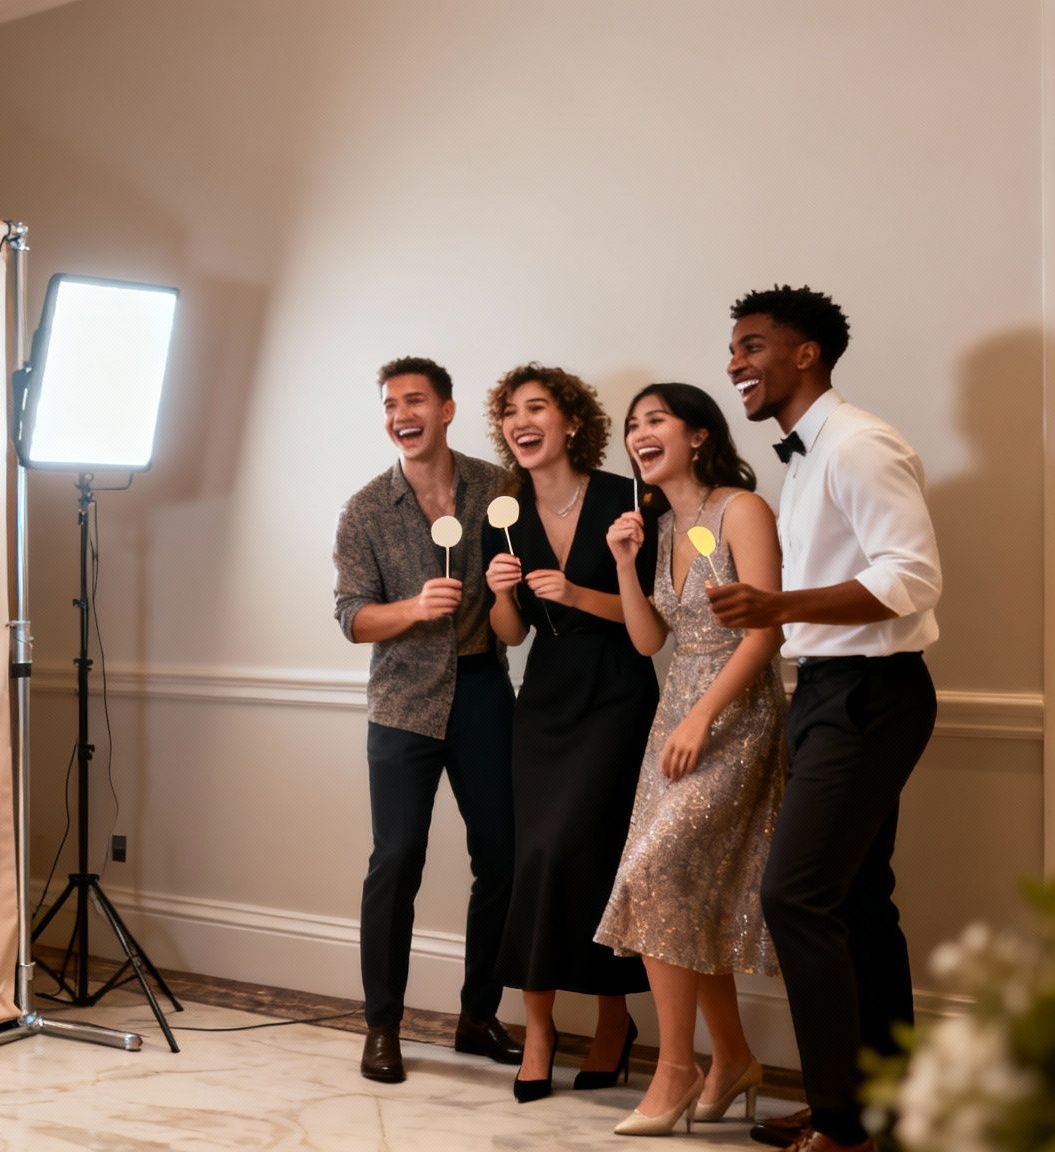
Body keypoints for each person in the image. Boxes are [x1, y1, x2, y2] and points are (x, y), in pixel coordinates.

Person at [708, 286, 943, 1152]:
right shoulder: (806, 456)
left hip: (871, 694)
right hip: (826, 690)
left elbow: (912, 578)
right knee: (856, 902)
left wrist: (778, 605)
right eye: (733, 347)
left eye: (751, 345)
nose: (734, 362)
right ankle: (876, 1108)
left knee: (795, 897)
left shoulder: (859, 443)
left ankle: (844, 1128)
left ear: (805, 353)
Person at [595, 383, 787, 1137]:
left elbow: (766, 631)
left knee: (655, 874)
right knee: (688, 891)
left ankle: (676, 1069)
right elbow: (650, 641)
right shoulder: (662, 525)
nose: (639, 434)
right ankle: (731, 1057)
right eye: (632, 426)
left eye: (656, 420)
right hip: (672, 717)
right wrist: (623, 562)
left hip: (733, 717)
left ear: (699, 434)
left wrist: (705, 716)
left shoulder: (742, 509)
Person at [333, 355, 523, 1083]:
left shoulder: (498, 490)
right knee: (396, 861)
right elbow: (352, 618)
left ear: (446, 409)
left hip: (483, 692)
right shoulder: (364, 509)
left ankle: (478, 1016)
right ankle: (382, 1026)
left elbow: (516, 615)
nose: (400, 415)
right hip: (402, 702)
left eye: (413, 401)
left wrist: (505, 593)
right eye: (389, 405)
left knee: (502, 859)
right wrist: (413, 608)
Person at [481, 363, 656, 1102]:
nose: (521, 422)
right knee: (537, 859)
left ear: (573, 421)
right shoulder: (504, 513)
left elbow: (654, 620)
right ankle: (539, 1029)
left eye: (537, 408)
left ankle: (614, 1023)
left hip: (617, 694)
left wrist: (579, 592)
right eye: (510, 413)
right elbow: (511, 634)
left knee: (598, 858)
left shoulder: (627, 498)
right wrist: (498, 595)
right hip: (545, 699)